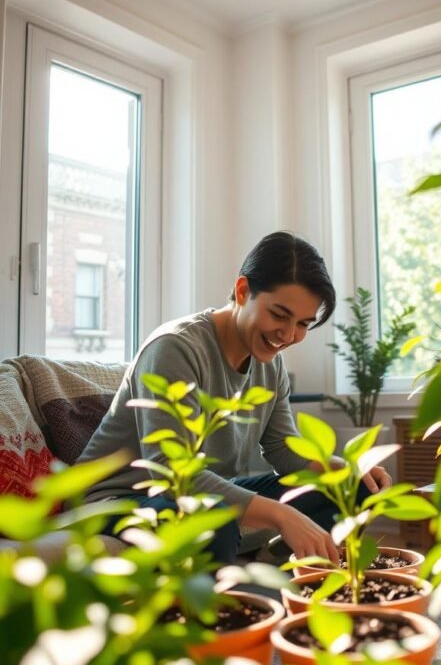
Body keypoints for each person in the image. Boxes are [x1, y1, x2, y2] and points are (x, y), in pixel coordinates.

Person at [79, 231, 391, 564]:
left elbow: (284, 448)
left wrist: (345, 468)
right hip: (119, 499)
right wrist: (282, 516)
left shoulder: (271, 365)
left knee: (350, 488)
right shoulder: (175, 348)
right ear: (243, 291)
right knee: (214, 518)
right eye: (279, 315)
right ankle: (226, 601)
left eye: (302, 324)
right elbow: (173, 473)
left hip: (200, 494)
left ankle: (281, 574)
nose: (288, 336)